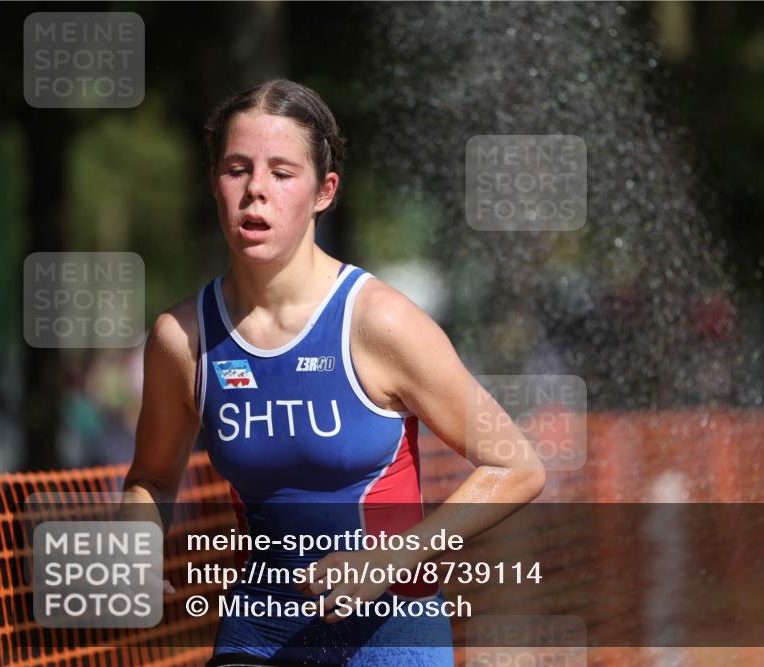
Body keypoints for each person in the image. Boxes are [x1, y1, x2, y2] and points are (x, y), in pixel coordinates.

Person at [121, 79, 545, 666]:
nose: (255, 193)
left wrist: (392, 559)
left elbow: (517, 466)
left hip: (391, 636)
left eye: (282, 173)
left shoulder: (381, 322)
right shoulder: (182, 339)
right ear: (214, 182)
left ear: (325, 191)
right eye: (236, 169)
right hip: (257, 635)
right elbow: (151, 475)